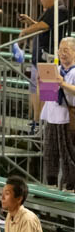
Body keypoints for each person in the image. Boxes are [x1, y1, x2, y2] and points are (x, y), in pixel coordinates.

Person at [19, 0, 69, 122]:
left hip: (48, 56)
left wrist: (25, 31)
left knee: (46, 90)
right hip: (39, 56)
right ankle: (36, 121)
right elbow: (43, 26)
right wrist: (30, 22)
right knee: (35, 87)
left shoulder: (59, 10)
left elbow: (44, 26)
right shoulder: (51, 10)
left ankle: (44, 123)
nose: (40, 0)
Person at [40, 37, 75, 189]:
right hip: (52, 114)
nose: (62, 53)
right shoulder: (55, 69)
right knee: (50, 151)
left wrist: (63, 83)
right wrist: (44, 83)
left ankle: (70, 185)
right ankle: (51, 183)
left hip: (67, 117)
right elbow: (47, 95)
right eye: (60, 50)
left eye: (66, 50)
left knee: (68, 153)